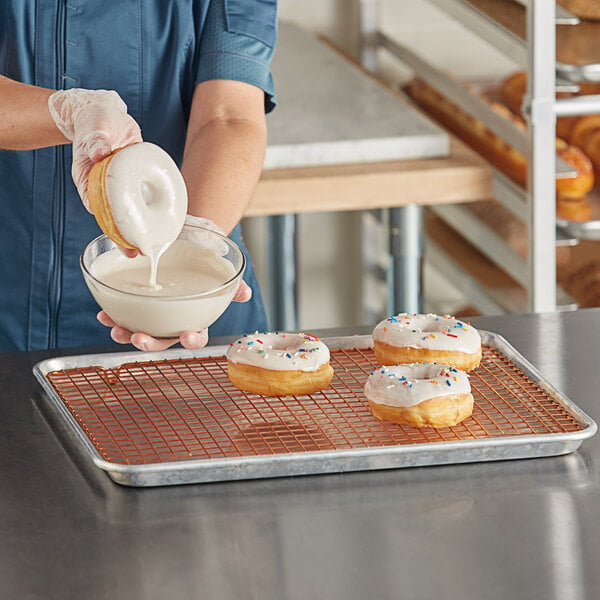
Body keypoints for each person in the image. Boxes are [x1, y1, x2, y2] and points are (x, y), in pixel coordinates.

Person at [0, 0, 277, 353]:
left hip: (195, 327)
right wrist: (68, 112)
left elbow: (228, 116)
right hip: (9, 295)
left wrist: (195, 246)